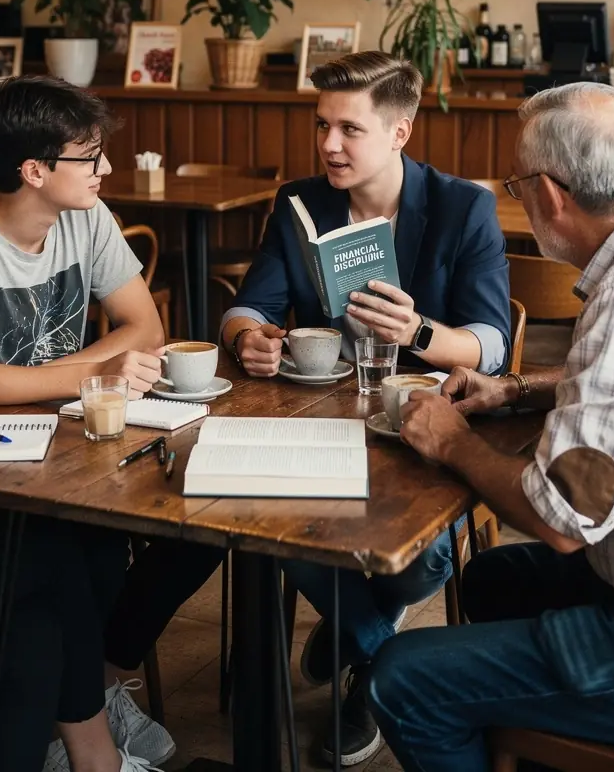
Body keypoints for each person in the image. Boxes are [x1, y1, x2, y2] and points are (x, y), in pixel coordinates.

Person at [369, 82, 614, 772]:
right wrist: (518, 388)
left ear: (551, 196)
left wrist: (454, 442)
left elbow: (560, 520)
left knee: (399, 678)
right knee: (492, 581)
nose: (520, 198)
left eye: (519, 187)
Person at [0, 75, 223, 768]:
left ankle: (87, 742)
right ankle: (96, 743)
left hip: (46, 448)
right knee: (51, 558)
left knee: (74, 582)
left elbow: (146, 328)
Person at [220, 51, 510, 766]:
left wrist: (417, 332)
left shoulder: (460, 206)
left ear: (400, 132)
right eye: (322, 125)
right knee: (271, 521)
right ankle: (370, 657)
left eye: (349, 129)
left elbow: (493, 344)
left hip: (422, 427)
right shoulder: (300, 203)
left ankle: (354, 626)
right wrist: (249, 336)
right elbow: (248, 306)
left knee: (426, 561)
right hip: (316, 419)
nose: (328, 145)